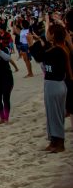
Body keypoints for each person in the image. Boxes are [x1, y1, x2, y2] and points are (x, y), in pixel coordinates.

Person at [29, 24, 71, 153]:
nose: (46, 34)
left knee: (55, 115)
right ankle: (54, 141)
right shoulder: (58, 48)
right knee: (52, 115)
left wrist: (31, 44)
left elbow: (39, 57)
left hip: (55, 84)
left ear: (53, 35)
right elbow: (46, 51)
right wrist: (38, 41)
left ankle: (59, 143)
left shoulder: (58, 50)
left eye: (48, 32)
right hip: (54, 84)